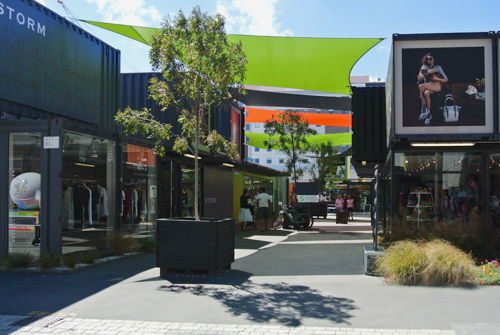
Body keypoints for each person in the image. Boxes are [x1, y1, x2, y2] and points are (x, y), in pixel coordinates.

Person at [417, 52, 448, 126]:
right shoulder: (424, 67)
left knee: (421, 86)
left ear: (434, 59)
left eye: (430, 59)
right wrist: (425, 73)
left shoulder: (438, 67)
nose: (428, 60)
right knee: (426, 93)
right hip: (428, 87)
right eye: (427, 59)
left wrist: (437, 78)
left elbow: (446, 79)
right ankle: (428, 115)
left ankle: (423, 108)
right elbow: (419, 79)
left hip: (437, 85)